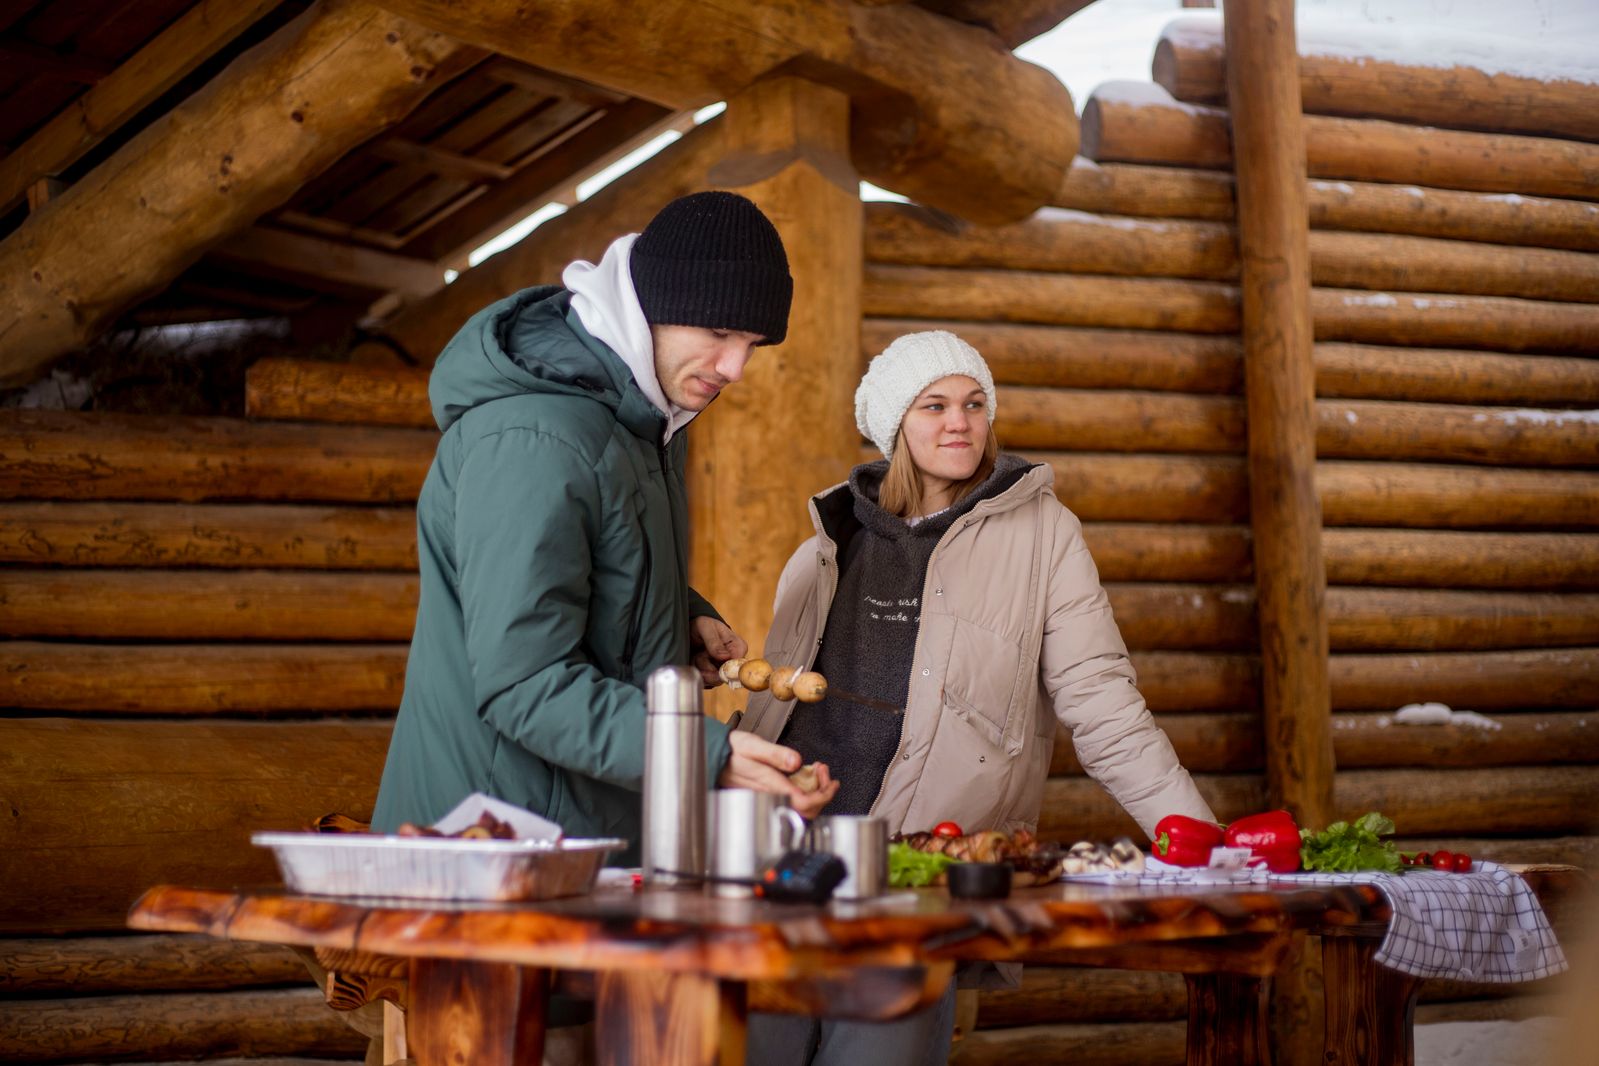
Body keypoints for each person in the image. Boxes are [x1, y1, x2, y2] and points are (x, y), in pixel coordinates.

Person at [740, 329, 1216, 1065]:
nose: (957, 421)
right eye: (933, 405)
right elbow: (776, 701)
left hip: (916, 879)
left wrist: (1200, 842)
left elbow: (1101, 704)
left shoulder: (1044, 536)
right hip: (783, 864)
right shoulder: (824, 544)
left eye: (973, 404)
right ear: (896, 423)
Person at [372, 190, 840, 849]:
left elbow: (579, 576)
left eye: (751, 343)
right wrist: (707, 755)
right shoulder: (536, 439)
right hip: (486, 844)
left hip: (570, 831)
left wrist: (679, 621)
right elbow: (524, 684)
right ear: (651, 306)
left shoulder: (639, 424)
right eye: (717, 334)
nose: (735, 368)